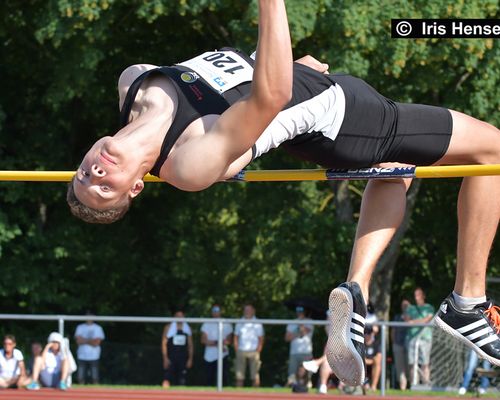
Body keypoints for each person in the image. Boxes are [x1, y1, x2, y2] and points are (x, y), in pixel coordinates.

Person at [66, 0, 500, 387]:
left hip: (324, 102)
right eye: (105, 189)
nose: (95, 175)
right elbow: (273, 94)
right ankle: (468, 301)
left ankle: (355, 291)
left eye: (84, 178)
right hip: (346, 118)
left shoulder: (134, 83)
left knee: (393, 174)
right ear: (137, 187)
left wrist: (273, 63)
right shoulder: (188, 163)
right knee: (493, 150)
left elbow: (229, 78)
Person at [404, 287, 434, 385]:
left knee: (425, 363)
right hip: (412, 338)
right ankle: (414, 384)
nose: (416, 297)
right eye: (415, 295)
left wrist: (413, 322)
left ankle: (425, 384)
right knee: (412, 363)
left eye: (418, 295)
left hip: (425, 338)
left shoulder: (429, 307)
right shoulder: (410, 308)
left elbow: (427, 319)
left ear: (423, 296)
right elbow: (407, 320)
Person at [200, 304, 233, 386]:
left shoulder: (226, 323)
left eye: (217, 311)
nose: (216, 313)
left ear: (220, 312)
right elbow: (203, 340)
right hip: (209, 356)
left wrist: (213, 342)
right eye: (214, 311)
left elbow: (229, 341)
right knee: (208, 377)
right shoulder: (207, 324)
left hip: (223, 354)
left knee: (223, 377)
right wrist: (218, 343)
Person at [234, 303, 264, 387]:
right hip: (241, 350)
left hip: (254, 351)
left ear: (253, 311)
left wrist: (258, 350)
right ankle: (238, 395)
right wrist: (237, 349)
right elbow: (236, 337)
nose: (247, 312)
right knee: (239, 375)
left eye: (249, 310)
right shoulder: (239, 322)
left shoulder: (258, 323)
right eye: (246, 310)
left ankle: (256, 396)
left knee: (255, 375)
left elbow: (261, 338)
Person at [161, 310, 194, 388]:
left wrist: (190, 359)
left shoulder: (187, 329)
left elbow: (190, 345)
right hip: (171, 356)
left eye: (181, 316)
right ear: (174, 317)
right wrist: (165, 358)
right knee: (167, 379)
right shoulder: (168, 327)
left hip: (183, 357)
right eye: (177, 316)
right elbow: (163, 343)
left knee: (181, 380)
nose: (179, 318)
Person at [285, 306, 314, 386]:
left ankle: (308, 385)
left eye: (301, 311)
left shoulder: (310, 322)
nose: (299, 313)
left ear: (304, 312)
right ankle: (291, 387)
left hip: (306, 352)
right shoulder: (292, 322)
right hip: (294, 352)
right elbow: (287, 338)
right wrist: (298, 333)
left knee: (307, 372)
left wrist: (300, 327)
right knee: (292, 373)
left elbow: (304, 332)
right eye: (298, 311)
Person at [74, 312, 105, 384]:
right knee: (80, 374)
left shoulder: (98, 328)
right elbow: (78, 341)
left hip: (94, 355)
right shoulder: (80, 327)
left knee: (95, 374)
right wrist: (91, 341)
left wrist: (84, 340)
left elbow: (96, 343)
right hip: (82, 354)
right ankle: (80, 388)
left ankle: (95, 388)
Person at [391, 299, 410, 390]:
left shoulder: (413, 317)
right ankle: (403, 388)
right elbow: (393, 331)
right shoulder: (397, 317)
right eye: (403, 305)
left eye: (407, 305)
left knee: (410, 366)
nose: (405, 307)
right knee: (400, 368)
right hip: (398, 345)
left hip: (409, 346)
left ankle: (412, 387)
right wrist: (394, 343)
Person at [363, 326, 382, 392]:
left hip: (372, 366)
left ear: (371, 334)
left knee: (377, 363)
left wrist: (369, 361)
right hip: (362, 367)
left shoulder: (376, 344)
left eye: (368, 333)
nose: (366, 335)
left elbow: (378, 357)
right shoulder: (360, 344)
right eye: (365, 333)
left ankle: (373, 386)